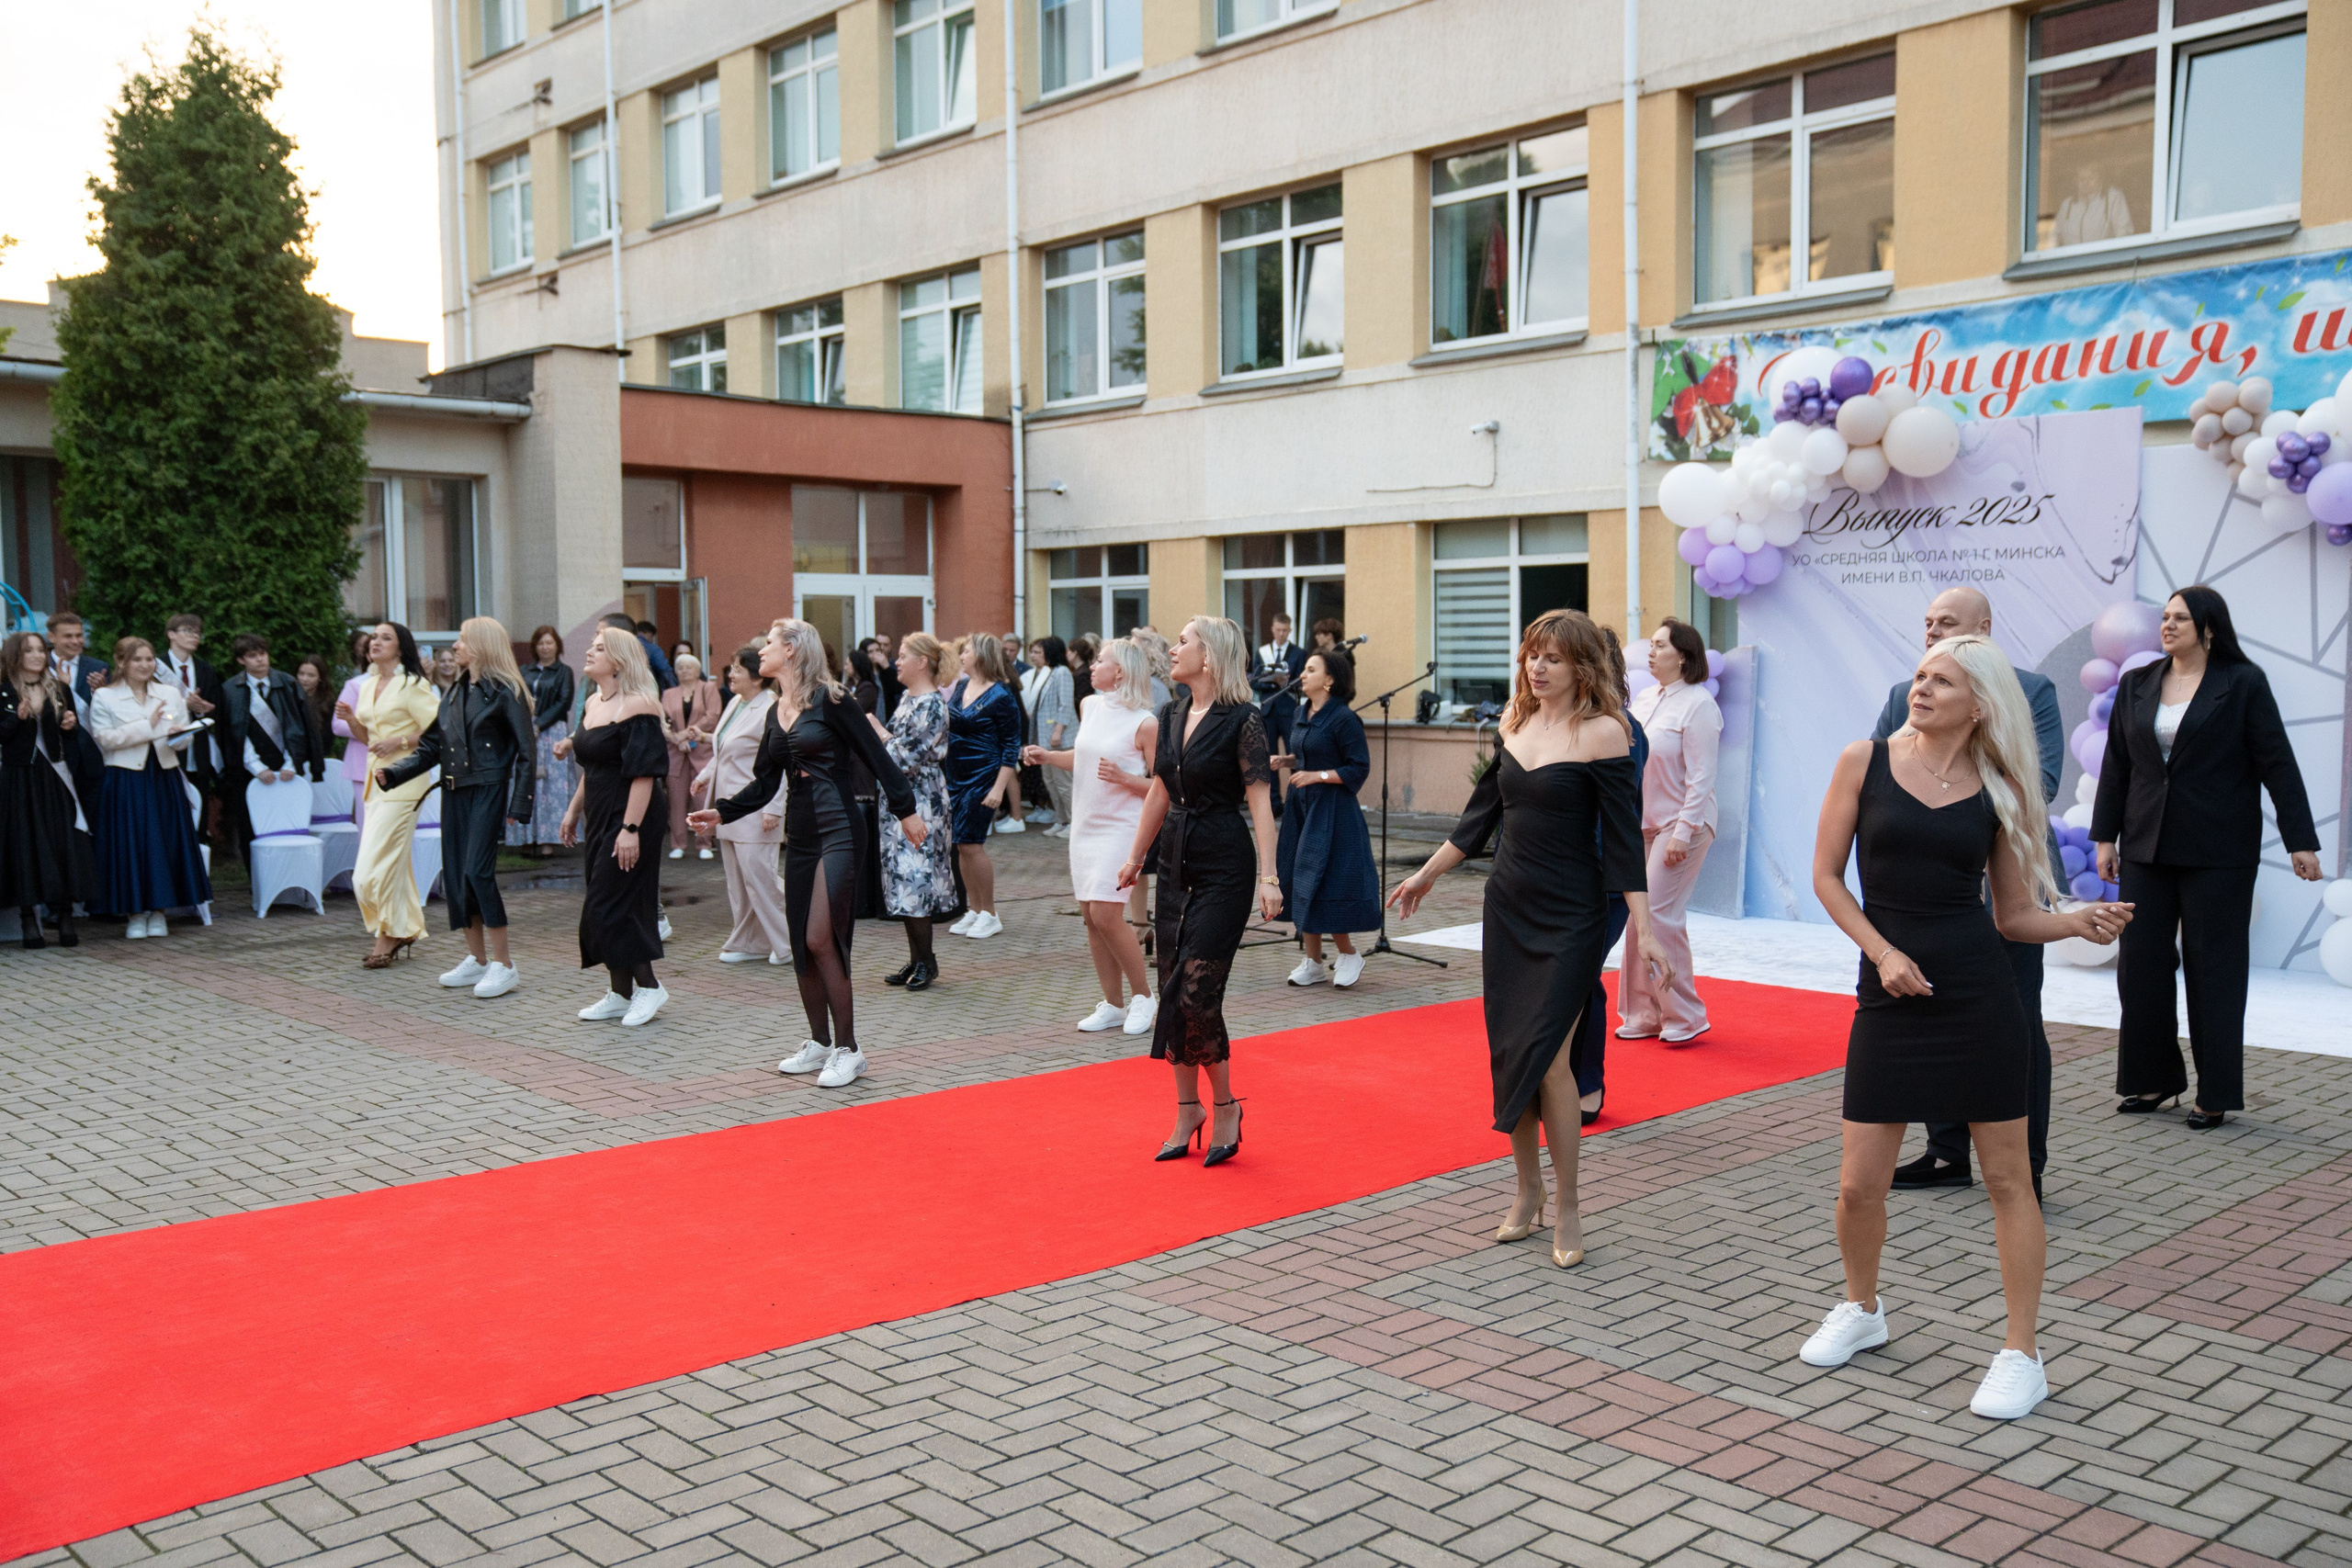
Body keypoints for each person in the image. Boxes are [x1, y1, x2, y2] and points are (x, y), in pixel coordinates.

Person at [1804, 633, 2131, 1420]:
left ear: (1978, 703)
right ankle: (1862, 1307)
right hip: (1888, 993)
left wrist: (2074, 920)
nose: (1920, 688)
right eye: (1920, 675)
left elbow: (2014, 916)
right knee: (1858, 1184)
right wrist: (1883, 952)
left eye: (1941, 681)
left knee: (2009, 1179)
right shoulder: (1863, 762)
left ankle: (2023, 1352)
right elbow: (1826, 877)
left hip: (1980, 997)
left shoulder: (2003, 787)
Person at [1388, 610, 1667, 1268]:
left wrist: (1646, 930)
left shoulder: (1606, 732)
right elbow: (1477, 821)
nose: (1537, 668)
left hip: (1572, 914)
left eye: (1553, 658)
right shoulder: (1513, 723)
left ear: (1582, 667)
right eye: (1531, 655)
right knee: (1513, 1054)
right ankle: (1526, 1189)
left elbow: (1624, 842)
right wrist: (1425, 875)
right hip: (1509, 908)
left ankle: (1568, 1204)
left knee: (1550, 1059)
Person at [2094, 586, 2322, 1132]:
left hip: (2218, 851)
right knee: (2140, 967)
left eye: (2181, 618)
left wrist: (2301, 840)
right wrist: (2105, 837)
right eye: (2165, 617)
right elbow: (2117, 764)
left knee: (2214, 970)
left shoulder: (2242, 684)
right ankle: (2153, 1080)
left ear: (2209, 628)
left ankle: (2215, 1092)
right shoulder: (2136, 683)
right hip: (2145, 846)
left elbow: (2277, 763)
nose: (2168, 625)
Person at [1871, 587, 2064, 1192]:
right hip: (1927, 891)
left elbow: (2040, 781)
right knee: (1930, 1012)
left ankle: (2024, 1167)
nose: (1932, 631)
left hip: (2002, 878)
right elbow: (1878, 783)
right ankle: (1946, 1151)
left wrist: (1958, 805)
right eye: (1928, 621)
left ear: (1983, 628)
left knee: (2016, 1019)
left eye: (1948, 622)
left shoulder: (2030, 690)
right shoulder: (1903, 695)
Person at [688, 620, 925, 1086]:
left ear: (793, 649)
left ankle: (849, 1049)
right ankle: (819, 1043)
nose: (761, 651)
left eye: (769, 643)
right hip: (800, 835)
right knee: (800, 941)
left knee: (821, 936)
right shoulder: (774, 710)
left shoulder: (833, 700)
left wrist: (907, 811)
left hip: (839, 829)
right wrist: (722, 811)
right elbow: (764, 783)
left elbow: (878, 758)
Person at [1118, 616, 1281, 1168]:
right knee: (1171, 988)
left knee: (1196, 993)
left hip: (1224, 867)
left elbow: (1260, 800)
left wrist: (1269, 877)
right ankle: (1188, 1110)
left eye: (1183, 641)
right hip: (1174, 861)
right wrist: (1135, 858)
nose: (1172, 649)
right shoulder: (1170, 714)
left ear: (1209, 655)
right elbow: (1159, 791)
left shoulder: (1244, 719)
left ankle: (1226, 1106)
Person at [378, 617, 537, 1000]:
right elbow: (432, 747)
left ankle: (504, 965)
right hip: (454, 792)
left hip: (487, 788)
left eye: (463, 639)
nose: (455, 645)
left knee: (478, 873)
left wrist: (520, 802)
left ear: (482, 645)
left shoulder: (506, 691)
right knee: (457, 878)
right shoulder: (453, 693)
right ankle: (478, 960)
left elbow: (527, 753)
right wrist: (395, 773)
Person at [1026, 637, 1159, 1035]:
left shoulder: (1145, 722)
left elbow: (1161, 787)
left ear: (1120, 672)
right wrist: (1050, 756)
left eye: (1101, 661)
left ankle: (1144, 996)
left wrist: (1124, 778)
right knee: (1090, 916)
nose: (1093, 667)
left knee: (1105, 913)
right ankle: (1113, 1004)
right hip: (1085, 824)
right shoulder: (1089, 705)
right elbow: (1084, 758)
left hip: (1120, 827)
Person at [1618, 619, 1723, 1043]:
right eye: (1651, 644)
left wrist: (1683, 831)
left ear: (1683, 655)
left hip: (1683, 824)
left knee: (1659, 916)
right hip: (1642, 824)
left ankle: (1685, 1015)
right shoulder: (1645, 699)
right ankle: (1643, 1014)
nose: (1651, 651)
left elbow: (1702, 776)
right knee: (1637, 917)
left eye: (1660, 645)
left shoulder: (1699, 704)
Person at [564, 626, 673, 1025]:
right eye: (591, 647)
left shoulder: (639, 705)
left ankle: (649, 987)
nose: (589, 653)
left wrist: (630, 829)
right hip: (599, 811)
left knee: (612, 902)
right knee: (603, 898)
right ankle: (620, 992)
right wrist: (573, 811)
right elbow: (592, 766)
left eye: (599, 649)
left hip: (632, 814)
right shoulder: (594, 702)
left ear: (619, 660)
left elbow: (644, 773)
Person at [1570, 628, 1650, 1126]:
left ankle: (1587, 1085)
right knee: (1569, 981)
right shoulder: (1560, 724)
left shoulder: (1623, 729)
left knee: (1582, 979)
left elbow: (1618, 820)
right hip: (1561, 877)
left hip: (1603, 879)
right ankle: (1561, 1081)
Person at [89, 636, 211, 938]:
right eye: (137, 659)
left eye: (149, 659)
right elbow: (105, 739)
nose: (145, 665)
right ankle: (134, 913)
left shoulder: (169, 693)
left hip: (163, 777)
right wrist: (148, 726)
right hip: (125, 778)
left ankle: (159, 912)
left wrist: (179, 734)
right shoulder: (105, 696)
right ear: (121, 662)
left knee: (164, 843)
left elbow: (183, 740)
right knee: (130, 844)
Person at [1272, 647, 1379, 988]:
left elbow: (1358, 767)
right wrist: (1287, 761)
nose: (1302, 675)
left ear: (1330, 679)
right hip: (1301, 806)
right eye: (1304, 669)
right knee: (1299, 877)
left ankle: (1348, 954)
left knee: (1325, 881)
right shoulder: (1301, 711)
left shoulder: (1344, 718)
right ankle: (1314, 961)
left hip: (1333, 810)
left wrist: (1317, 776)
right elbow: (1310, 752)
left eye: (1311, 670)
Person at [341, 623, 441, 969]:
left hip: (405, 784)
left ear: (401, 649)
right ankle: (402, 929)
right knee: (393, 864)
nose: (376, 642)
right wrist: (351, 720)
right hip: (375, 784)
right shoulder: (367, 685)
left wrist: (399, 742)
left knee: (370, 872)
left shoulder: (413, 685)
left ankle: (388, 936)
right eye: (374, 637)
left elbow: (438, 729)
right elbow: (369, 738)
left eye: (386, 638)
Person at [871, 632, 959, 990]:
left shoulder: (932, 704)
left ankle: (927, 961)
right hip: (903, 799)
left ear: (922, 662)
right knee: (904, 881)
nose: (896, 661)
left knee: (916, 878)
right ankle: (917, 959)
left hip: (922, 802)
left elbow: (906, 756)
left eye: (903, 655)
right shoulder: (910, 698)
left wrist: (879, 732)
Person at [695, 644, 788, 964]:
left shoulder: (771, 707)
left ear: (757, 677)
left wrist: (774, 808)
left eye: (737, 669)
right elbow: (725, 747)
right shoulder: (736, 702)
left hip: (756, 808)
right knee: (738, 883)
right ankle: (751, 942)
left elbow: (780, 763)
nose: (730, 675)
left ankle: (788, 942)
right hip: (729, 808)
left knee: (761, 880)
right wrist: (705, 775)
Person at [1, 630, 91, 947]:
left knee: (61, 840)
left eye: (41, 650)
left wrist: (70, 726)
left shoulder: (59, 688)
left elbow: (69, 737)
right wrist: (17, 719)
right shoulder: (4, 690)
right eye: (30, 651)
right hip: (20, 777)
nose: (38, 656)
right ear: (15, 655)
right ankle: (29, 920)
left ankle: (65, 915)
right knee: (25, 843)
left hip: (54, 776)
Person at [943, 634, 1023, 940]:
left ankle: (989, 912)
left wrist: (998, 789)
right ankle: (974, 909)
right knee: (961, 844)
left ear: (981, 656)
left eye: (966, 651)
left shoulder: (1002, 695)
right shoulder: (961, 686)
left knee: (973, 843)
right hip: (955, 775)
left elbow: (1011, 745)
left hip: (983, 776)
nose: (962, 655)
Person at [222, 634, 317, 863]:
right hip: (250, 771)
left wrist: (291, 763)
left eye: (262, 654)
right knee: (251, 828)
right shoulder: (229, 689)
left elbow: (300, 727)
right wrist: (256, 767)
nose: (260, 660)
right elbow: (233, 734)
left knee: (289, 824)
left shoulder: (288, 683)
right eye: (252, 656)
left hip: (286, 768)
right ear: (241, 660)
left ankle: (292, 875)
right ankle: (258, 879)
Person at [156, 612, 226, 840]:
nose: (194, 636)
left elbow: (215, 709)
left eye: (197, 633)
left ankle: (199, 846)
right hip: (167, 746)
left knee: (200, 806)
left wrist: (202, 709)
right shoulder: (156, 667)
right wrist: (183, 705)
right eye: (188, 631)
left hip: (199, 748)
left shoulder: (206, 670)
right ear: (171, 634)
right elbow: (153, 707)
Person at [510, 626, 577, 853]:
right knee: (527, 781)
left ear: (557, 646)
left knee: (549, 787)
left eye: (549, 643)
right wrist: (526, 724)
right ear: (534, 647)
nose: (545, 647)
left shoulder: (564, 672)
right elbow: (516, 697)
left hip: (552, 732)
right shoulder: (524, 670)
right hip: (525, 730)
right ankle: (526, 839)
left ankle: (548, 840)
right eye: (541, 643)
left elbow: (563, 702)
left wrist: (539, 724)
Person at [45, 611, 107, 812]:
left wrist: (101, 692)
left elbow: (109, 712)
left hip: (90, 756)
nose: (75, 641)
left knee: (93, 815)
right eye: (68, 636)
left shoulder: (99, 668)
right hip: (53, 753)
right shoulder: (40, 667)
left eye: (79, 635)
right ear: (51, 637)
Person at [662, 652, 721, 862]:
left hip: (701, 752)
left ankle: (704, 843)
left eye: (689, 667)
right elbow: (664, 721)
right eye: (680, 667)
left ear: (698, 671)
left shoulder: (708, 688)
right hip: (677, 752)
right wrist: (676, 739)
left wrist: (686, 734)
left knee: (702, 799)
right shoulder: (668, 693)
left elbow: (712, 716)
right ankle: (678, 844)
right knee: (676, 801)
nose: (684, 670)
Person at [1029, 635, 1076, 836]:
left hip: (1059, 739)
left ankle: (1073, 822)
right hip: (1047, 739)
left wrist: (1058, 731)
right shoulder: (1051, 672)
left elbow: (1065, 704)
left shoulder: (1063, 672)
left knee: (1064, 783)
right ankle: (1061, 819)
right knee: (1051, 782)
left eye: (1040, 651)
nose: (1036, 656)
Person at [332, 628, 378, 830]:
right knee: (367, 825)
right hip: (363, 762)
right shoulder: (356, 685)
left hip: (397, 760)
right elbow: (338, 724)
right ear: (367, 656)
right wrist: (369, 730)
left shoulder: (406, 683)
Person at [1249, 612, 1306, 758]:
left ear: (1290, 630)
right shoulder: (1262, 652)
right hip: (1268, 710)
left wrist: (1286, 683)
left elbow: (1302, 681)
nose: (1281, 634)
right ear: (1272, 629)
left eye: (1285, 630)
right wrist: (1274, 683)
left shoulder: (1299, 653)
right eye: (1278, 630)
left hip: (1289, 709)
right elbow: (1254, 682)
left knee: (1293, 754)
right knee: (1269, 756)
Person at [601, 612, 676, 691]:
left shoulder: (623, 644)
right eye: (651, 636)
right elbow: (664, 668)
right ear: (648, 633)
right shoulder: (653, 649)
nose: (651, 639)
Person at [292, 658, 334, 781]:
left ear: (320, 678)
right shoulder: (290, 697)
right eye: (301, 673)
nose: (304, 679)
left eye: (311, 675)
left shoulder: (328, 701)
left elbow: (328, 736)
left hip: (317, 760)